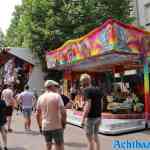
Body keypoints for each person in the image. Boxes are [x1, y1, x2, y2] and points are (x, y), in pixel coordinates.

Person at [36, 80, 66, 150]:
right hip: (56, 126)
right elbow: (63, 113)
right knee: (59, 145)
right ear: (52, 87)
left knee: (48, 145)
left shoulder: (40, 98)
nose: (56, 88)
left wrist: (40, 126)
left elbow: (37, 114)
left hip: (45, 126)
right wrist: (63, 124)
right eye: (55, 86)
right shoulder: (57, 96)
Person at [80, 73, 103, 150]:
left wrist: (83, 119)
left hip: (91, 118)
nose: (81, 83)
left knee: (90, 139)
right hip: (98, 117)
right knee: (96, 136)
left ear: (84, 82)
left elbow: (88, 105)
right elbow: (102, 103)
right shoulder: (98, 89)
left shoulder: (86, 90)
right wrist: (99, 113)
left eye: (81, 81)